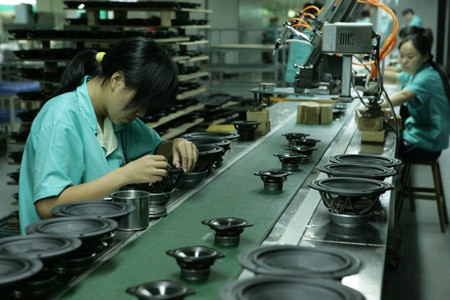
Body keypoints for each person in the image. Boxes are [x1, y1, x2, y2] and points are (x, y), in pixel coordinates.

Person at [18, 37, 199, 234]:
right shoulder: (61, 118)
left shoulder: (113, 116)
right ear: (117, 80)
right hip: (56, 247)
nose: (141, 113)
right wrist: (124, 175)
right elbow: (48, 206)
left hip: (96, 236)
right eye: (139, 103)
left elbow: (156, 147)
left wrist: (174, 145)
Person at [382, 33, 450, 162]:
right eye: (401, 56)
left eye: (410, 56)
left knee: (386, 146)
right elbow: (396, 77)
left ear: (425, 56)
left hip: (428, 144)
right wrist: (375, 71)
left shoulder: (427, 76)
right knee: (388, 136)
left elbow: (404, 95)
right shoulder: (417, 72)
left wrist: (375, 105)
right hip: (422, 134)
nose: (404, 61)